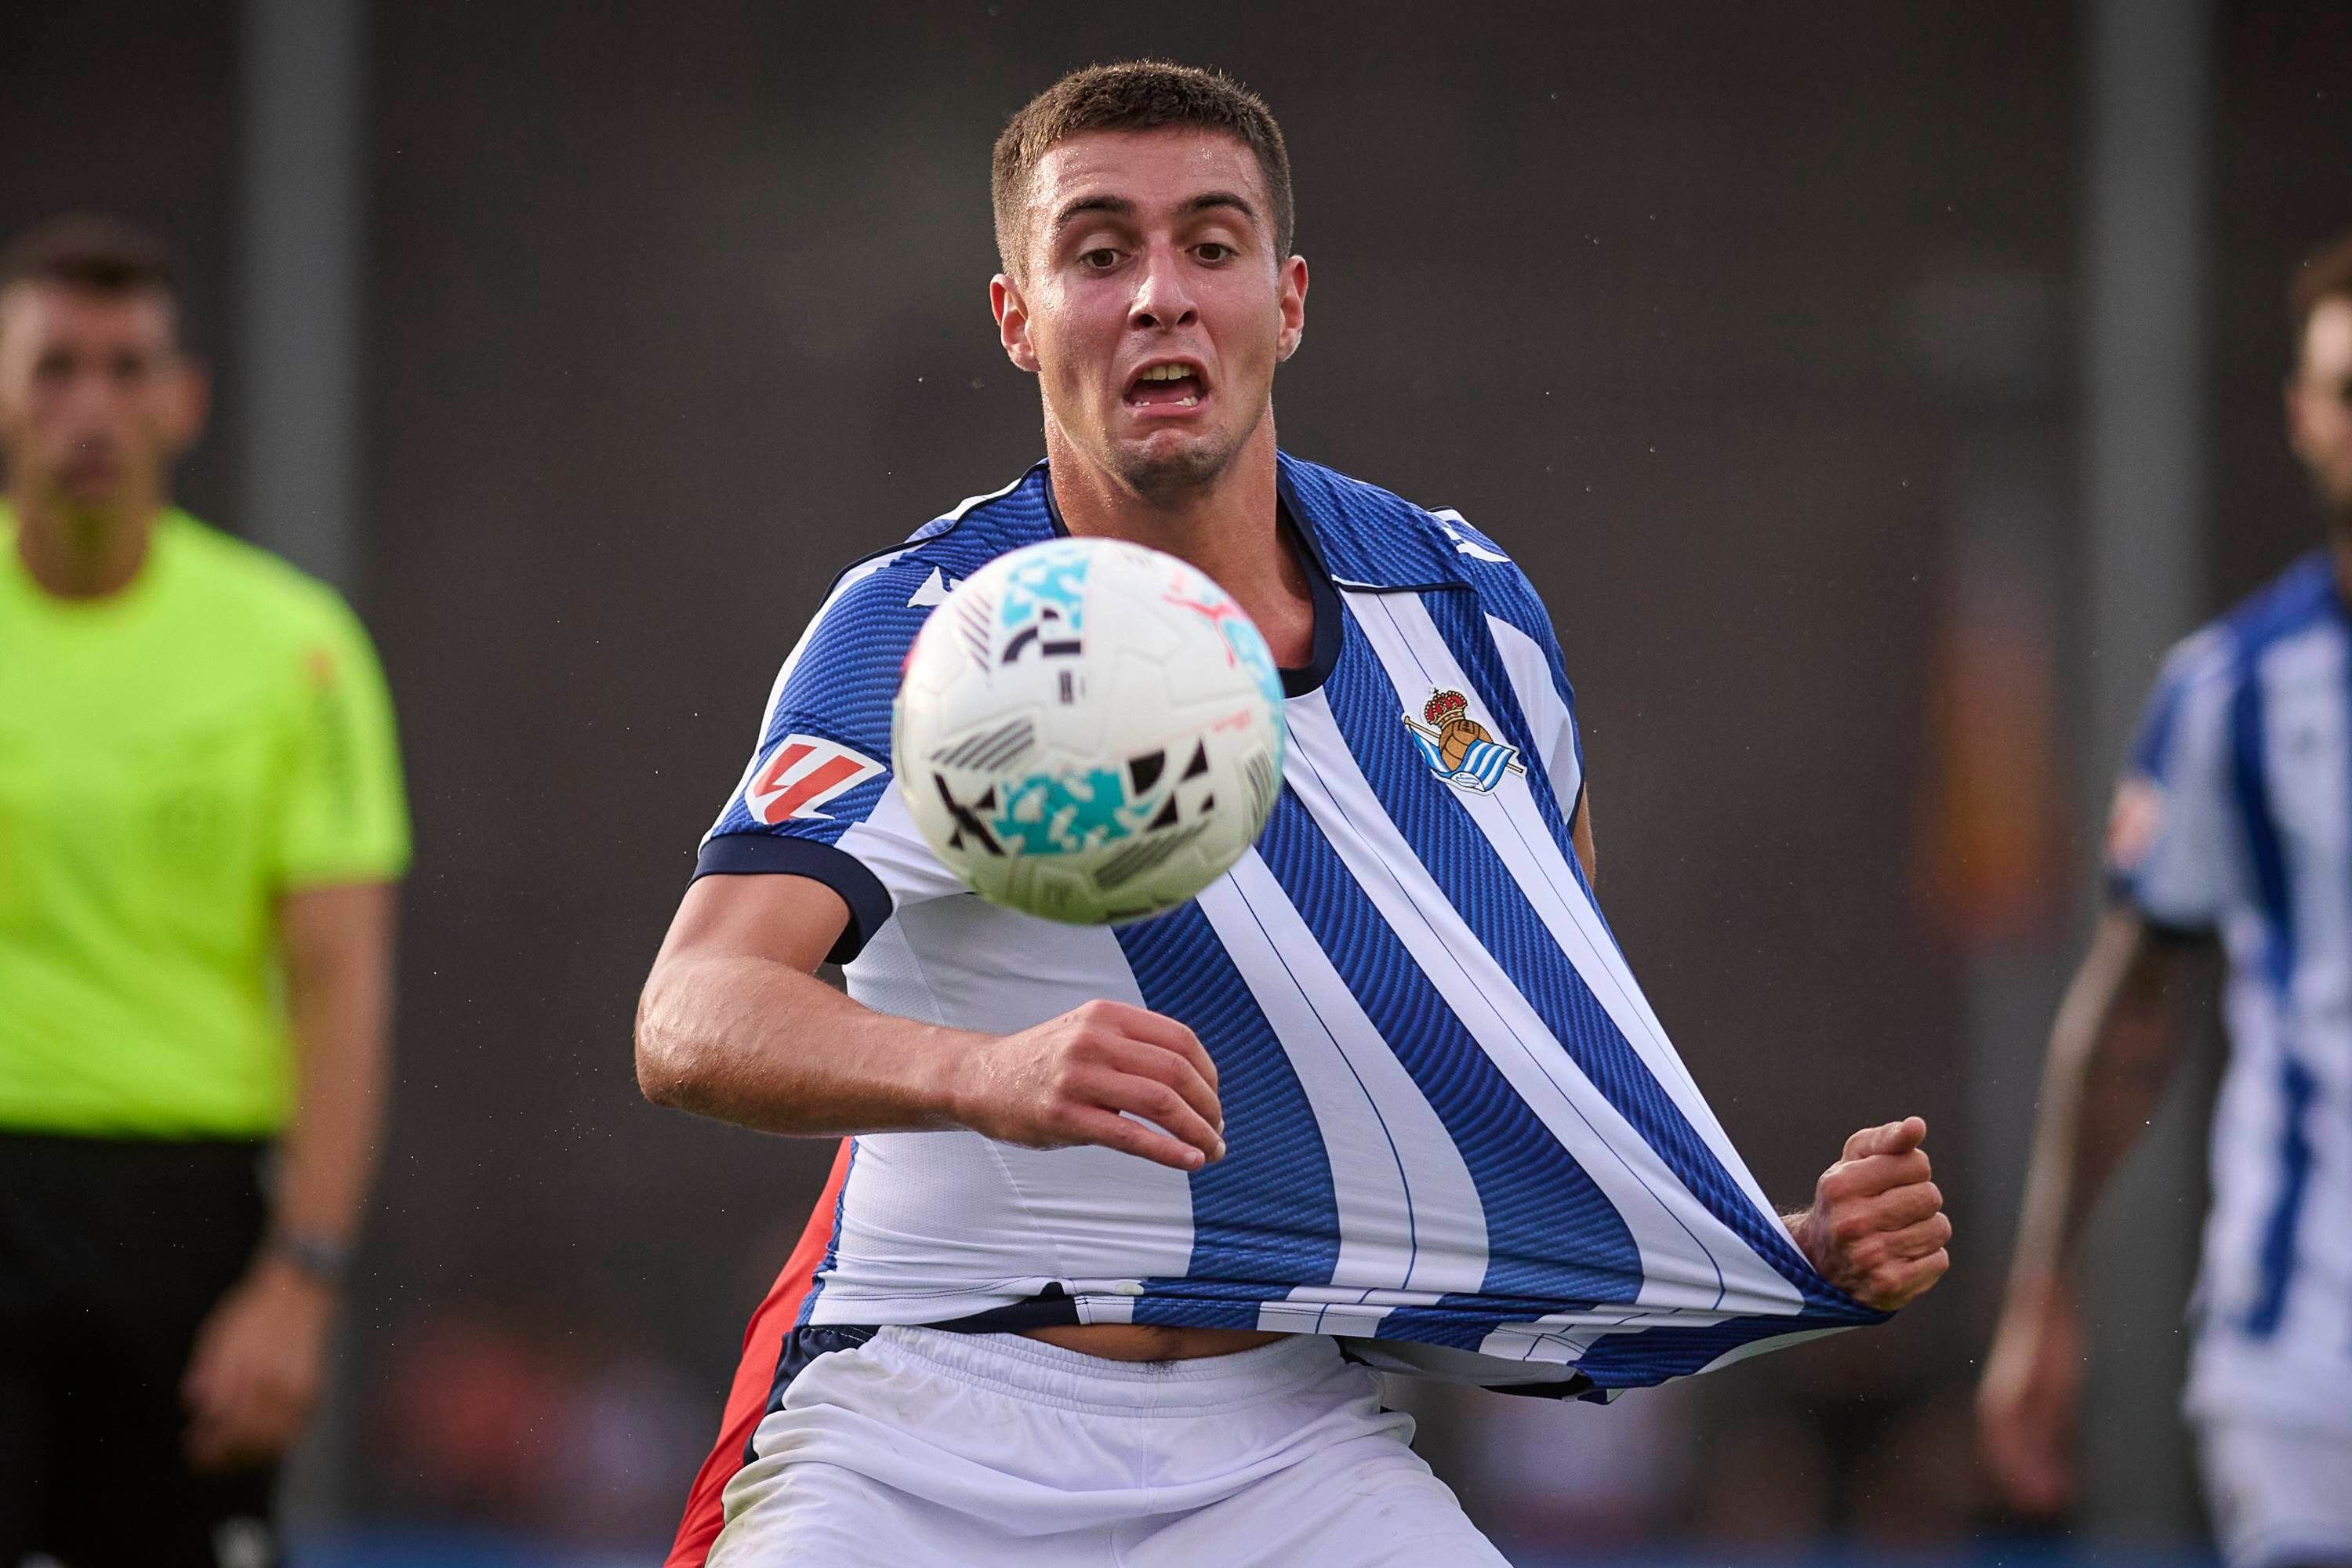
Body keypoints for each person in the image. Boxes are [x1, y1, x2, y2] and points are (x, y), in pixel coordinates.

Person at [637, 61, 1951, 1566]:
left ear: (1289, 298)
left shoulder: (1462, 611)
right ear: (1018, 319)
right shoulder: (926, 627)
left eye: (1210, 244)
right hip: (931, 1417)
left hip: (1291, 1441)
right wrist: (984, 1071)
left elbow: (1516, 1057)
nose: (1159, 298)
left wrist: (1766, 1252)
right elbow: (691, 1015)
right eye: (1097, 252)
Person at [0, 216, 409, 1566]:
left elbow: (341, 985)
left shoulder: (292, 651)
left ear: (184, 400)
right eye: (55, 366)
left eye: (127, 369)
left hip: (187, 1221)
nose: (91, 407)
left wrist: (299, 1284)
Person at [1980, 233, 2352, 1568]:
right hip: (2306, 1350)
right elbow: (2134, 1015)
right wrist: (2043, 1296)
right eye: (2349, 391)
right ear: (2307, 419)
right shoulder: (2230, 694)